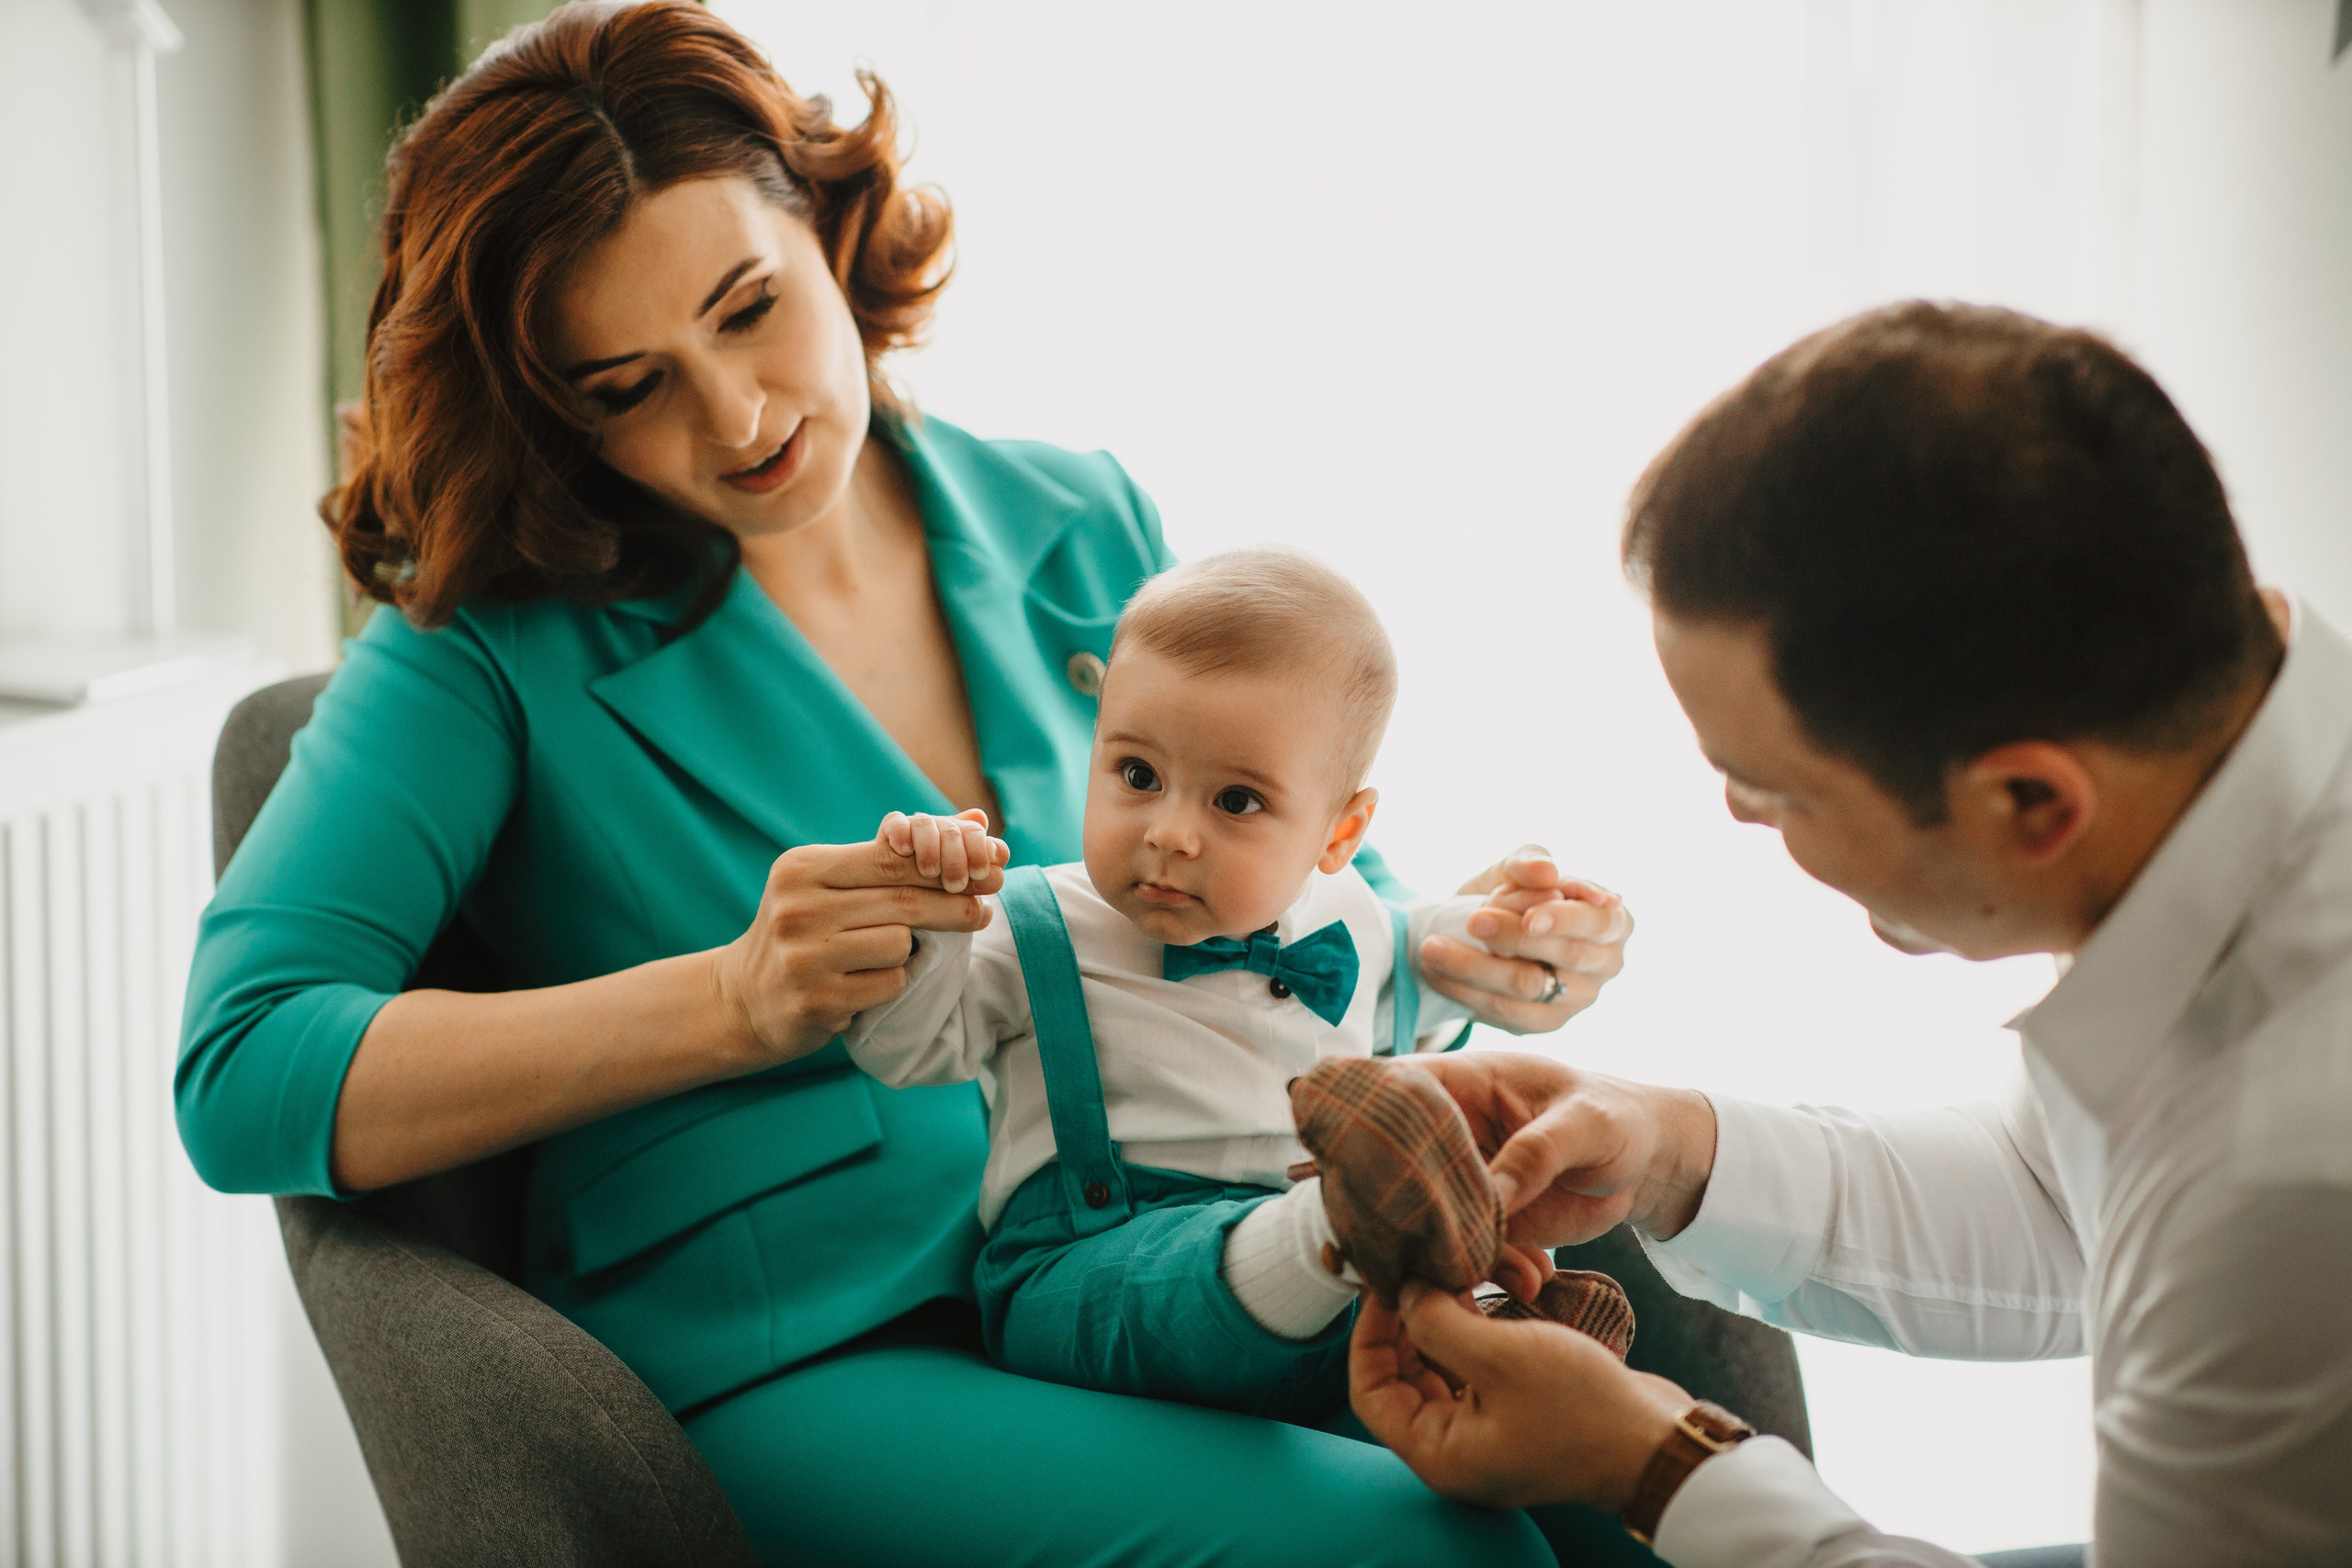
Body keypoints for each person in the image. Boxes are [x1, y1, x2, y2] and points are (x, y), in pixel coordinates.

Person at [172, 5, 1641, 1563]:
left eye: (748, 308)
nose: (732, 416)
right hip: (816, 1342)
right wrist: (730, 996)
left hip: (1179, 1260)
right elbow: (244, 1069)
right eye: (626, 387)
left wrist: (1465, 949)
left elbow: (1287, 891)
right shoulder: (481, 650)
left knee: (1630, 1480)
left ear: (823, 216)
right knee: (1412, 1550)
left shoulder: (1079, 517)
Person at [1348, 302, 2352, 1567]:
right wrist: (1667, 1149)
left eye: (1774, 793)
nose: (1737, 808)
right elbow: (2072, 1209)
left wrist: (1655, 1464)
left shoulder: (2295, 1169)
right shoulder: (2231, 785)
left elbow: (2216, 1226)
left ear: (2031, 800)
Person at [843, 550, 1632, 1423]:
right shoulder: (1032, 925)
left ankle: (1498, 1336)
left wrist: (1514, 932)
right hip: (1084, 1259)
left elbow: (1420, 974)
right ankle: (1350, 1231)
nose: (1172, 833)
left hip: (1308, 1280)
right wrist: (927, 925)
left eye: (1237, 801)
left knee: (1400, 1300)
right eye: (1138, 776)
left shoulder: (1349, 918)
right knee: (1172, 1288)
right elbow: (905, 1048)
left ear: (1340, 832)